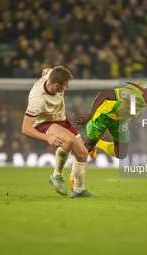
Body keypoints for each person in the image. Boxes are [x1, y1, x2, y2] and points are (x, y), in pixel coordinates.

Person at [22, 66, 97, 198]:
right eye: (66, 84)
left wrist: (46, 71)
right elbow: (26, 128)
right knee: (69, 140)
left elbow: (48, 70)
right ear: (56, 85)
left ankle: (79, 190)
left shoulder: (52, 75)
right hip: (44, 123)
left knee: (82, 153)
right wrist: (47, 138)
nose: (68, 86)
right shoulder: (37, 99)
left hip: (60, 119)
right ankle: (56, 176)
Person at [74, 79, 147, 160]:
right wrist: (90, 114)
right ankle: (74, 173)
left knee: (121, 154)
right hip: (106, 113)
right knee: (88, 146)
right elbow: (103, 95)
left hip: (122, 119)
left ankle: (98, 144)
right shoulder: (131, 94)